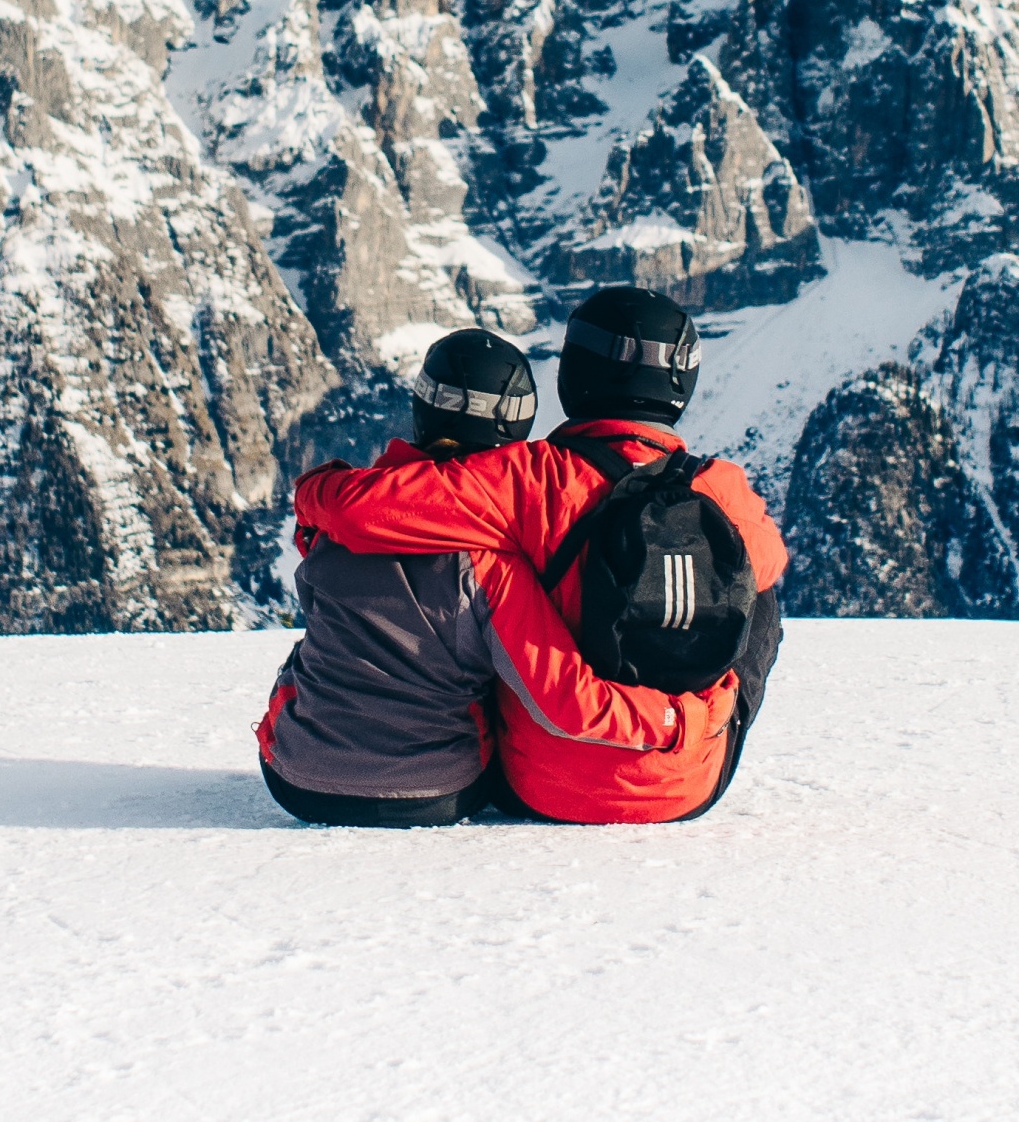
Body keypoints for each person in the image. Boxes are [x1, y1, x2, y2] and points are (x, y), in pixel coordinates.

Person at [293, 285, 786, 824]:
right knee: (760, 598)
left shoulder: (525, 478)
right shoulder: (723, 488)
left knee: (486, 589)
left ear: (573, 374)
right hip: (690, 779)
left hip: (544, 786)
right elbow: (770, 563)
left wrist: (323, 482)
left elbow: (361, 510)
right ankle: (688, 747)